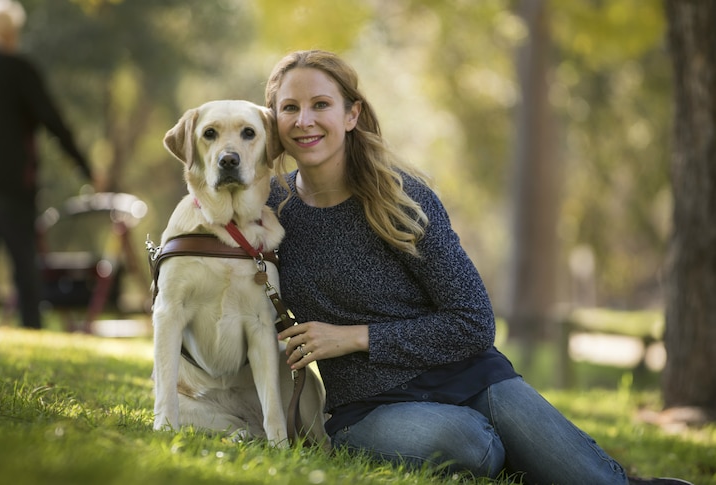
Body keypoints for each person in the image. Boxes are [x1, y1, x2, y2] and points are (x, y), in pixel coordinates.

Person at [266, 50, 690, 485]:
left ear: (351, 114)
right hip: (367, 408)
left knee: (596, 481)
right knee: (474, 446)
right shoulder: (267, 210)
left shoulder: (402, 199)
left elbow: (473, 322)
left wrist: (353, 338)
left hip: (472, 380)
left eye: (321, 105)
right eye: (290, 108)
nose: (304, 121)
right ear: (272, 121)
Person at [0, 0, 93, 329]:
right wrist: (87, 169)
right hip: (8, 186)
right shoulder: (19, 70)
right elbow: (54, 123)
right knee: (24, 265)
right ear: (10, 34)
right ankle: (30, 329)